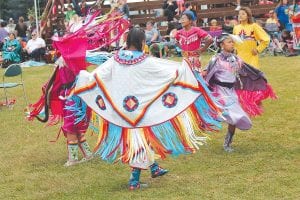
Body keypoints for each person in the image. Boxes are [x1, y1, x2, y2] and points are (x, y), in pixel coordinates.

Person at [72, 27, 221, 190]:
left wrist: (82, 78)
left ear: (128, 42)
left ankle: (154, 168)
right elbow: (169, 72)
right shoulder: (146, 61)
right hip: (142, 107)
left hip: (123, 109)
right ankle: (134, 181)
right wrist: (186, 69)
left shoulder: (116, 59)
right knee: (139, 141)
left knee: (143, 138)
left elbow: (97, 76)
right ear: (142, 42)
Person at [204, 34, 276, 152]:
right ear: (221, 45)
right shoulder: (215, 59)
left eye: (232, 42)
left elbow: (247, 70)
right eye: (228, 42)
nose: (232, 44)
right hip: (219, 91)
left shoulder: (235, 59)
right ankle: (210, 120)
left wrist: (258, 76)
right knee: (224, 113)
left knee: (236, 118)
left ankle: (227, 143)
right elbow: (207, 74)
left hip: (231, 92)